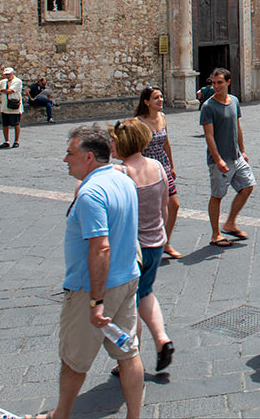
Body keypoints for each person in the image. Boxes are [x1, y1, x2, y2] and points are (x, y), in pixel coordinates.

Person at [41, 125, 142, 419]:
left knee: (73, 360)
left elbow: (100, 249)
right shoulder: (124, 179)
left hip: (93, 288)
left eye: (70, 153)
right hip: (127, 279)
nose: (64, 159)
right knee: (128, 354)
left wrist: (96, 302)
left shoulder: (90, 194)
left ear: (88, 157)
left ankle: (60, 415)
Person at [110, 119, 174, 375]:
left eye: (114, 141)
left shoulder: (120, 173)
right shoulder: (158, 167)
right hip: (156, 241)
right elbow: (165, 208)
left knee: (128, 302)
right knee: (145, 292)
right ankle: (161, 339)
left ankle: (129, 357)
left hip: (131, 248)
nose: (111, 146)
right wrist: (162, 236)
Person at [200, 67, 255, 247]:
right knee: (217, 195)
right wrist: (218, 160)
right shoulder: (208, 107)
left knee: (248, 186)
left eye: (220, 83)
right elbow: (209, 136)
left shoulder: (234, 102)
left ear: (228, 82)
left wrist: (243, 150)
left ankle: (230, 223)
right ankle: (215, 234)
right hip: (219, 159)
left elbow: (237, 127)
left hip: (236, 157)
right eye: (214, 83)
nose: (216, 86)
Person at [135, 87, 181, 259]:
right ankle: (143, 243)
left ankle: (166, 242)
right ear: (146, 102)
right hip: (146, 168)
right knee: (148, 209)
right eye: (156, 98)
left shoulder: (162, 117)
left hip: (163, 166)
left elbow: (166, 143)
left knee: (173, 205)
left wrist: (172, 166)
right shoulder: (138, 122)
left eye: (161, 96)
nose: (160, 100)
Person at [0, 67, 24, 148]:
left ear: (12, 74)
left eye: (9, 74)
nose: (7, 76)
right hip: (5, 106)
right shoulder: (3, 82)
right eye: (6, 75)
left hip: (14, 106)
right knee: (5, 125)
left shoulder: (17, 81)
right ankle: (6, 141)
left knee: (16, 124)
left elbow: (10, 90)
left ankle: (16, 141)